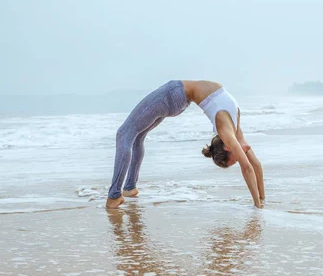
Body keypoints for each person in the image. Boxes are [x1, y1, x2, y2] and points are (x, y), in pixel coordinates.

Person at [105, 80, 265, 209]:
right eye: (236, 158)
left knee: (124, 133)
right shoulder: (236, 133)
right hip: (179, 98)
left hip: (174, 94)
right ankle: (129, 187)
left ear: (227, 147)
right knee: (137, 136)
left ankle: (114, 196)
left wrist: (258, 204)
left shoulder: (227, 133)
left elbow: (249, 167)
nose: (240, 155)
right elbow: (254, 166)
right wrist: (260, 200)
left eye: (236, 158)